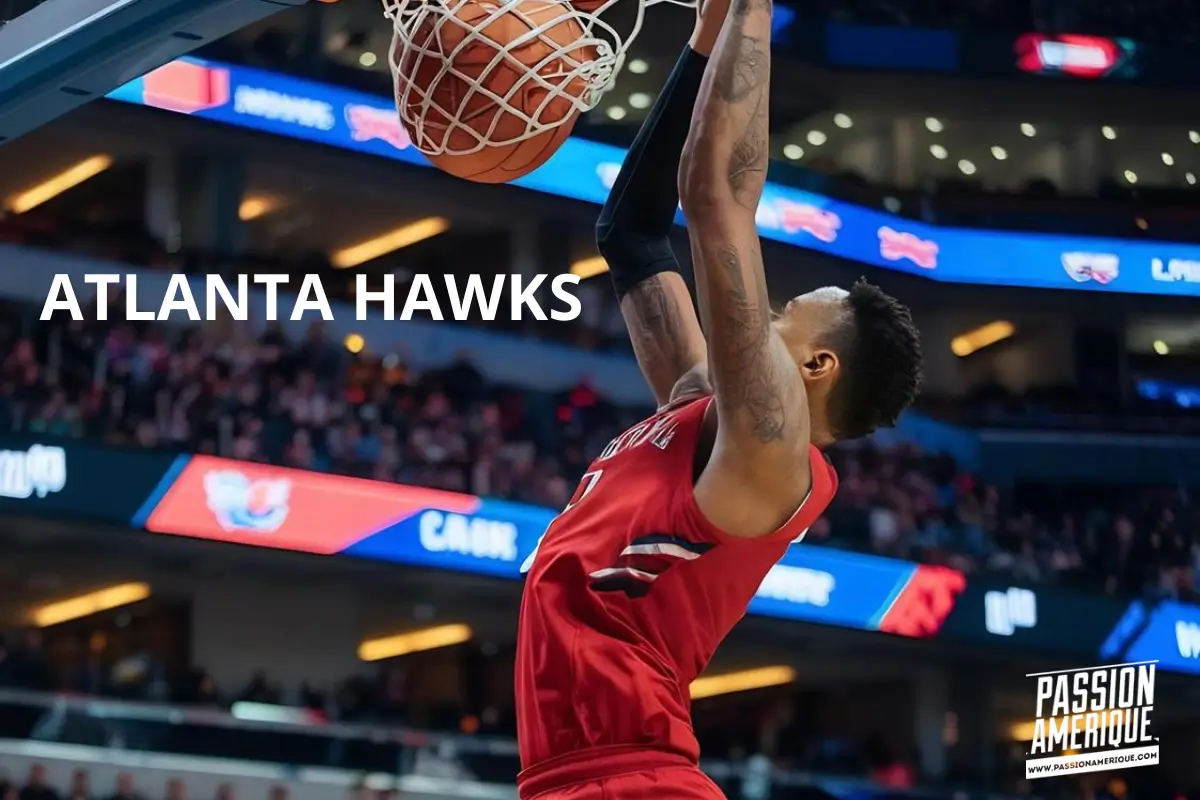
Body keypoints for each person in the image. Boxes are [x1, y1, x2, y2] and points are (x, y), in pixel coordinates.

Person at [513, 0, 924, 795]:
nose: (756, 319)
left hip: (635, 778)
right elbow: (630, 233)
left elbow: (716, 199)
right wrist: (707, 31)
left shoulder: (773, 456)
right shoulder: (703, 408)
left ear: (815, 370)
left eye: (780, 321)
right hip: (580, 774)